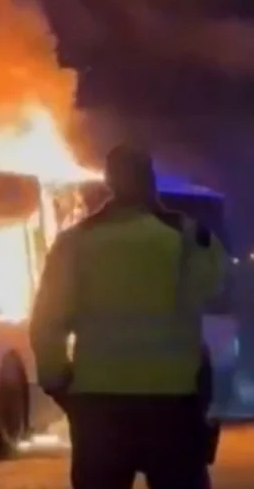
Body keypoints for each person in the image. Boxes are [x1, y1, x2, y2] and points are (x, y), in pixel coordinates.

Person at [29, 145, 227, 489]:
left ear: (109, 182)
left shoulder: (73, 243)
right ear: (150, 181)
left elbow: (47, 323)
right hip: (172, 404)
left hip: (98, 406)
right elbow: (215, 282)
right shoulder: (185, 238)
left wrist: (57, 381)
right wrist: (176, 219)